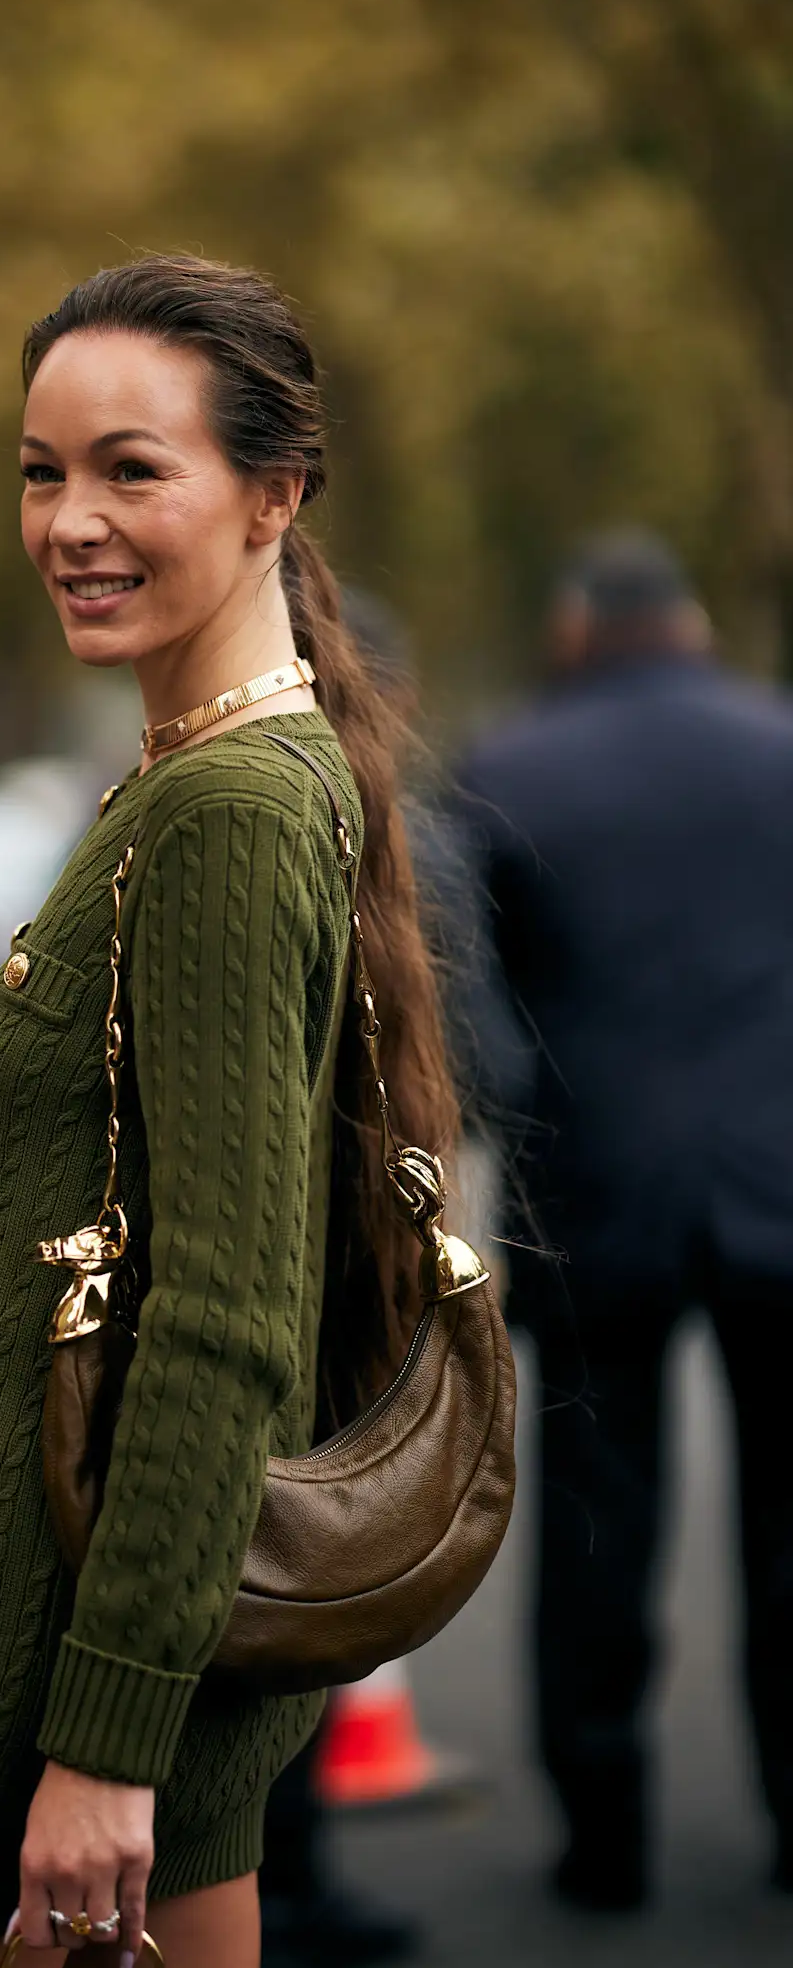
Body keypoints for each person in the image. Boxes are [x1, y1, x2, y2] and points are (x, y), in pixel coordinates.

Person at [0, 255, 456, 1968]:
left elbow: (229, 1321)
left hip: (44, 1689)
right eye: (41, 471)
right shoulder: (205, 773)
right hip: (74, 1659)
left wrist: (101, 1742)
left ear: (273, 497)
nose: (70, 520)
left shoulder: (231, 807)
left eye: (130, 468)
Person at [456, 531, 793, 1912]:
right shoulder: (783, 750)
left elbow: (470, 1005)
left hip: (590, 1196)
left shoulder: (509, 769)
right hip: (787, 1193)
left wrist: (516, 1122)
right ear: (698, 624)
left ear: (574, 628)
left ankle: (605, 1838)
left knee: (598, 1532)